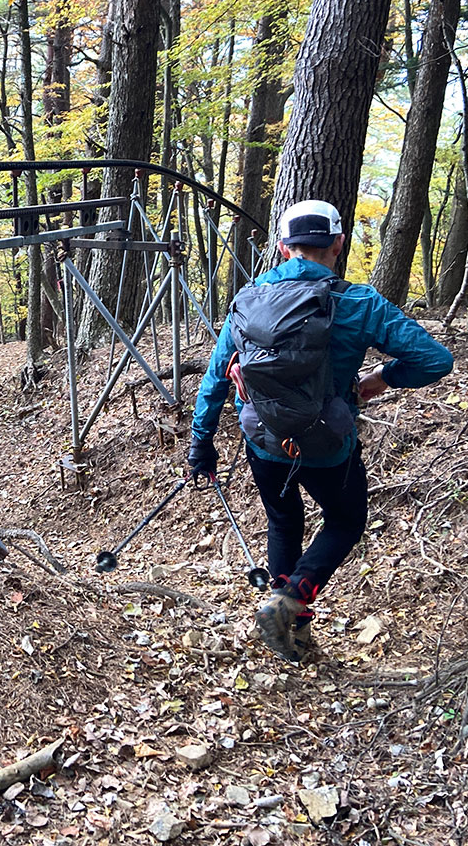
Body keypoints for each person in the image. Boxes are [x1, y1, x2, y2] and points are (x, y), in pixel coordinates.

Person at [189, 199, 453, 662]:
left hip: (264, 440)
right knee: (347, 521)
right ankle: (289, 605)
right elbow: (436, 360)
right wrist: (379, 379)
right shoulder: (358, 303)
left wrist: (201, 441)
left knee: (283, 520)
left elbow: (214, 379)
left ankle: (292, 626)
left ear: (283, 246)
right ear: (338, 242)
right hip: (328, 445)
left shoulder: (248, 299)